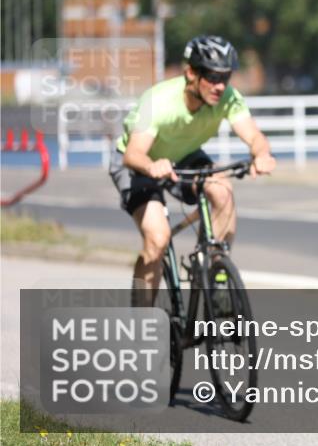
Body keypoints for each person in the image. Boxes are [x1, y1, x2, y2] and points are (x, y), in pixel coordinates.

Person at [110, 35, 276, 305]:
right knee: (157, 239)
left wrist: (261, 154)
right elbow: (133, 154)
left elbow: (254, 136)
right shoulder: (159, 102)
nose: (220, 86)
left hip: (185, 156)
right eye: (212, 76)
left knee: (222, 188)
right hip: (139, 163)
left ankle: (215, 273)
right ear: (190, 73)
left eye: (226, 77)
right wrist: (153, 165)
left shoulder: (228, 97)